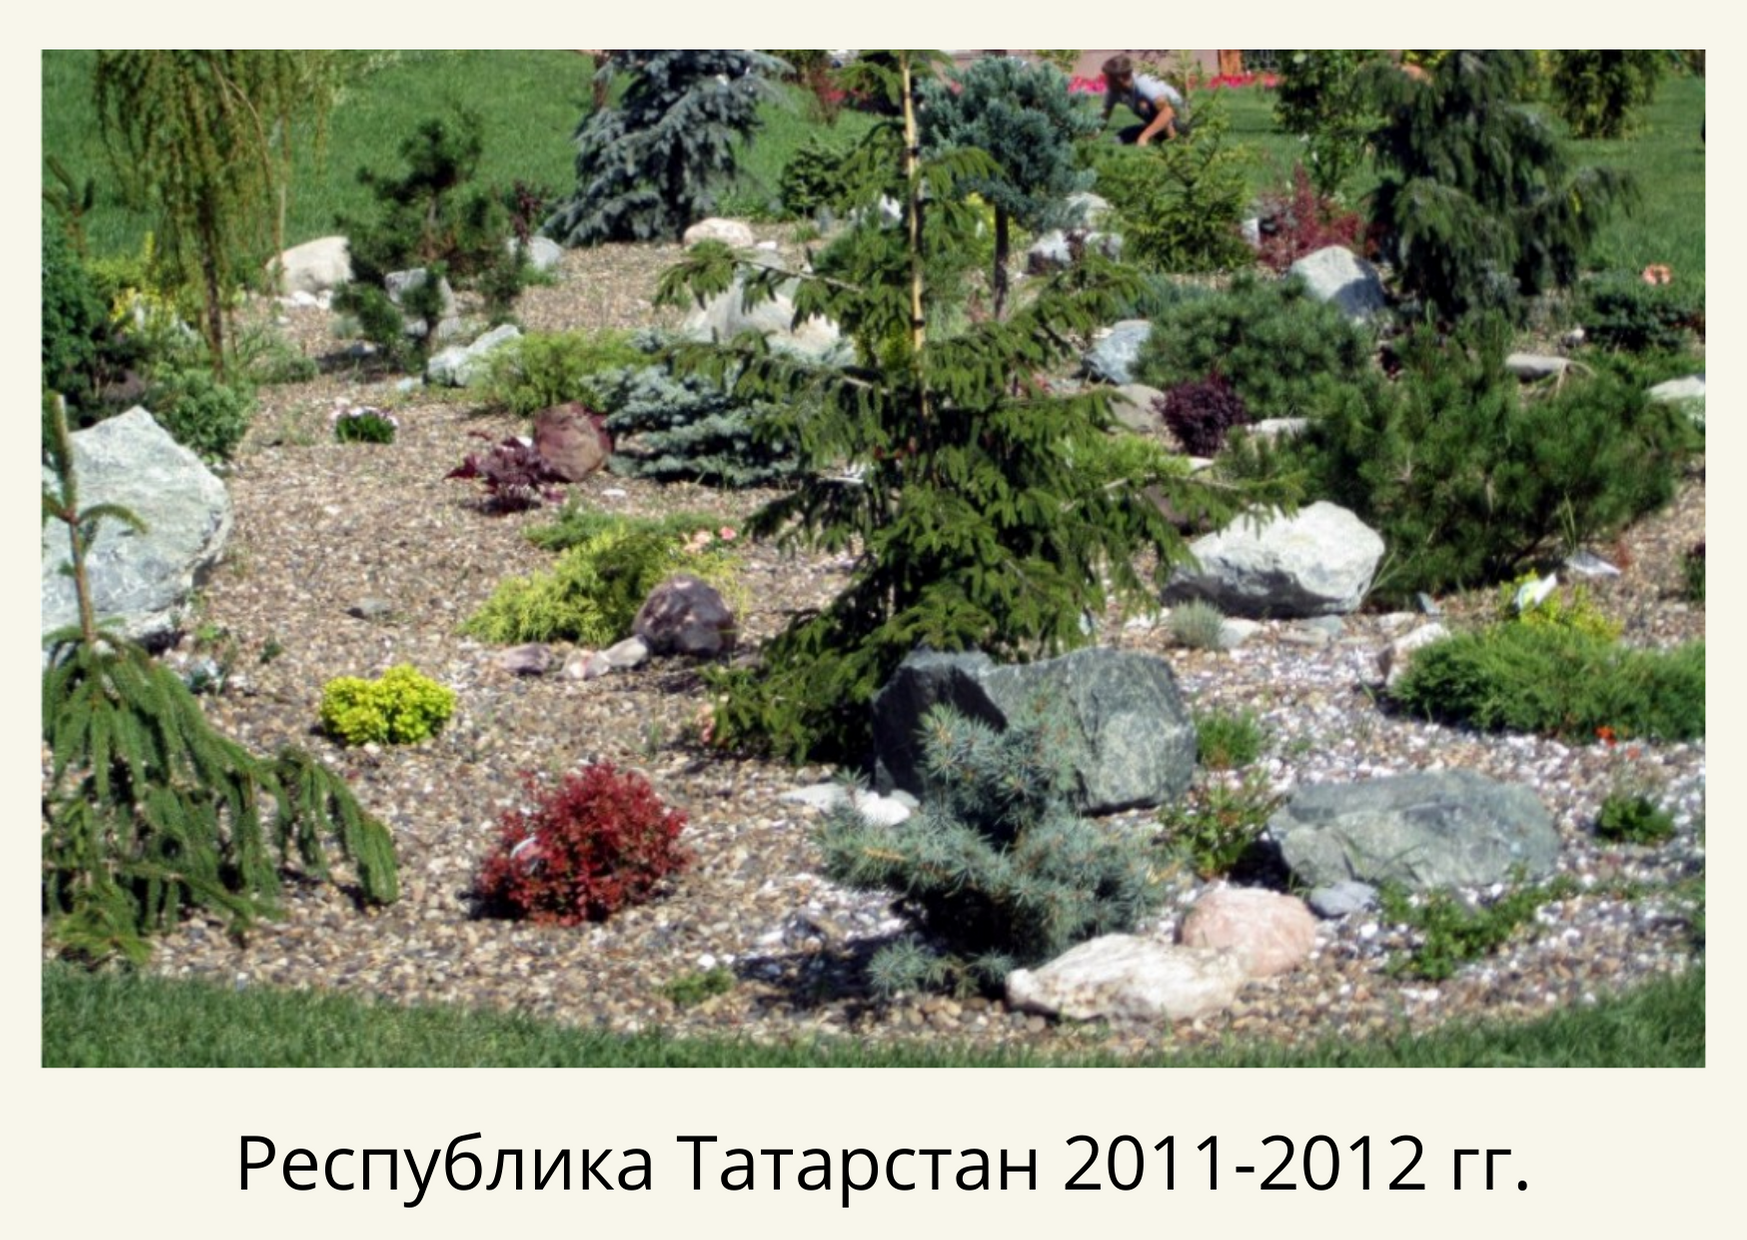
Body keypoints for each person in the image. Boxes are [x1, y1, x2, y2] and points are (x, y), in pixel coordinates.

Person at [1101, 54, 1185, 145]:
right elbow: (1103, 118)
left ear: (1120, 79)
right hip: (1158, 120)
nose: (1107, 81)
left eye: (1108, 78)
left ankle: (1173, 139)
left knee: (1154, 109)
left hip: (1179, 119)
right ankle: (1159, 135)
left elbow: (1168, 111)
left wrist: (1144, 137)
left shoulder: (1143, 84)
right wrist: (1093, 133)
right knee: (1119, 138)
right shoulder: (1114, 90)